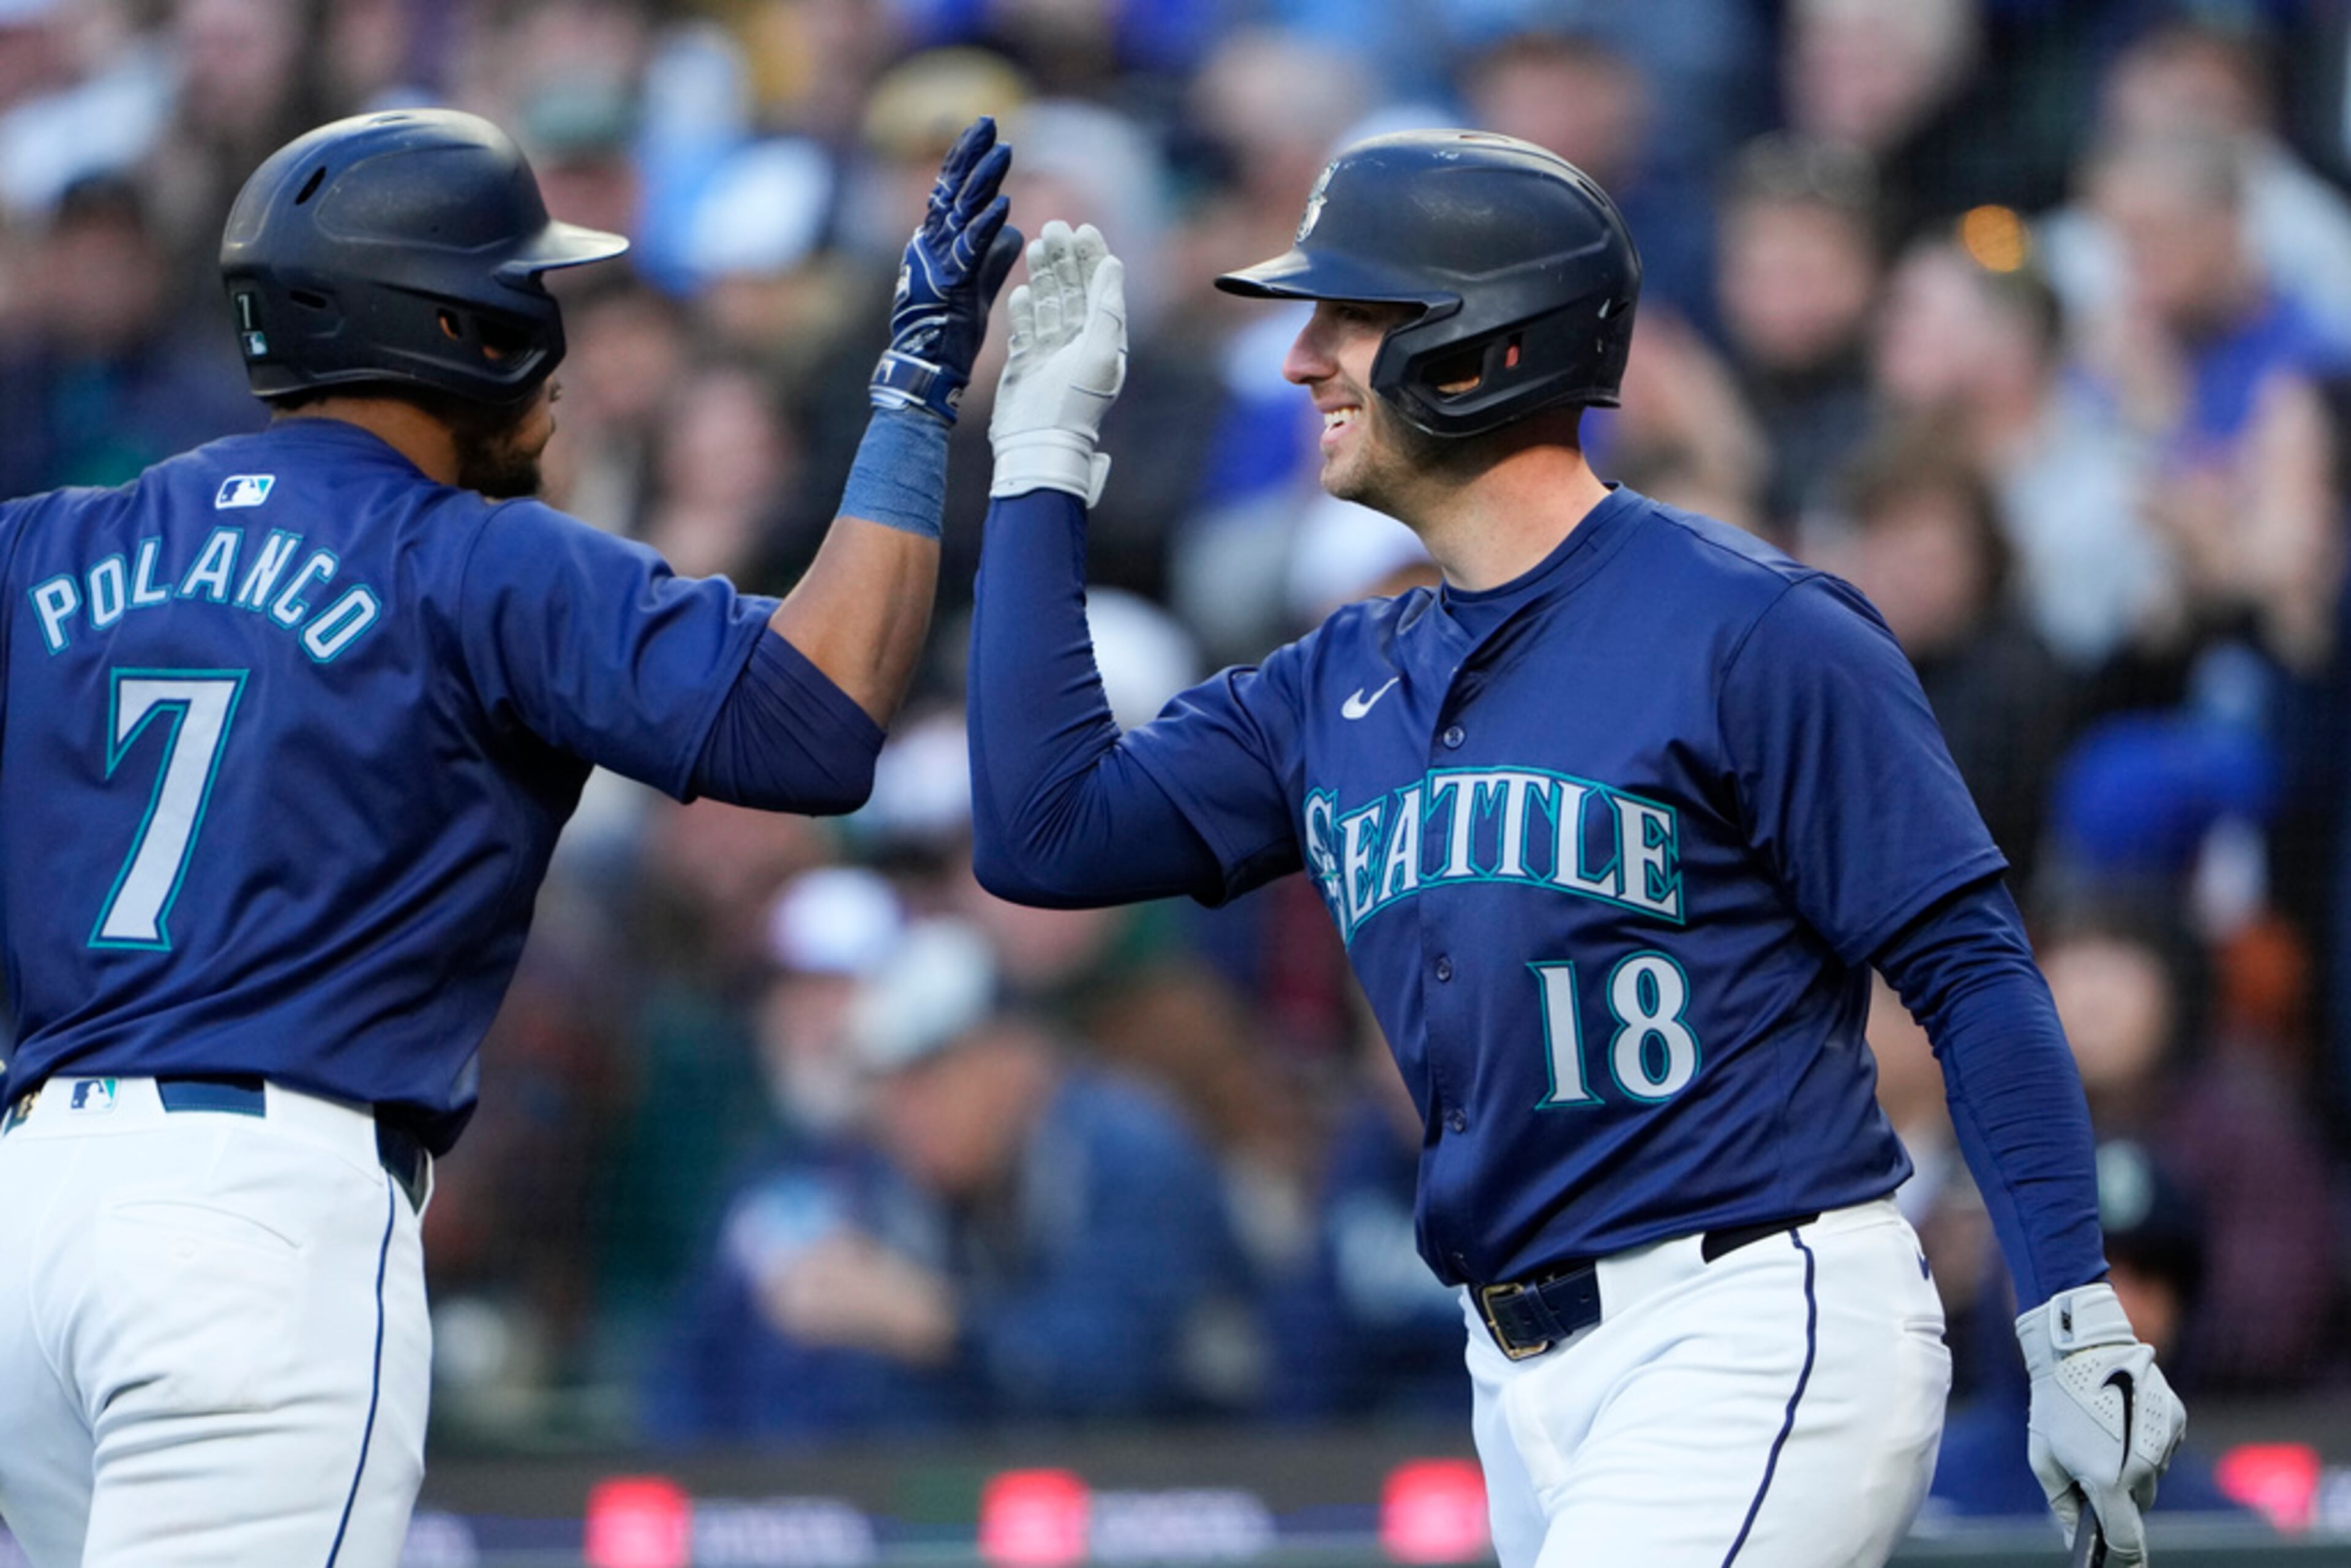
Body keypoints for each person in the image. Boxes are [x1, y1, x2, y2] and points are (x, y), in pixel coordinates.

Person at [966, 135, 2185, 1566]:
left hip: (1750, 1311)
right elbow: (1042, 833)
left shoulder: (1754, 626)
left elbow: (1971, 973)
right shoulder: (1334, 678)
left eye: (1347, 317)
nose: (1303, 360)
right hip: (1516, 1371)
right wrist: (1042, 460)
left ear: (1479, 344)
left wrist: (2065, 1311)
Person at [0, 106, 1017, 1567]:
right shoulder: (473, 560)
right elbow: (815, 721)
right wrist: (918, 391)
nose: (553, 335)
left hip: (30, 1203)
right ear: (459, 328)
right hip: (257, 1226)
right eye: (528, 294)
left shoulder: (48, 545)